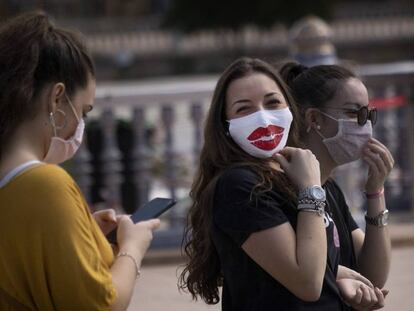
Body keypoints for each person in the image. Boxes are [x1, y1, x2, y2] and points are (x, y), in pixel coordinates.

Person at [0, 12, 159, 311]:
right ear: (57, 98)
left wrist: (81, 233)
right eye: (84, 112)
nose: (81, 125)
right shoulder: (45, 184)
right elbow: (102, 305)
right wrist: (132, 248)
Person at [179, 57, 354, 310]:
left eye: (272, 103)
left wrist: (338, 278)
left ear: (290, 109)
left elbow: (309, 263)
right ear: (225, 125)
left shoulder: (296, 174)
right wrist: (311, 189)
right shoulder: (238, 186)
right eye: (244, 109)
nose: (262, 117)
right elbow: (307, 284)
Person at [279, 62, 393, 310]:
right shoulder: (278, 190)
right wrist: (336, 278)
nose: (365, 125)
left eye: (369, 114)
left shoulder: (330, 189)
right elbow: (303, 279)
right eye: (355, 113)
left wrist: (376, 191)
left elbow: (374, 276)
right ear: (314, 118)